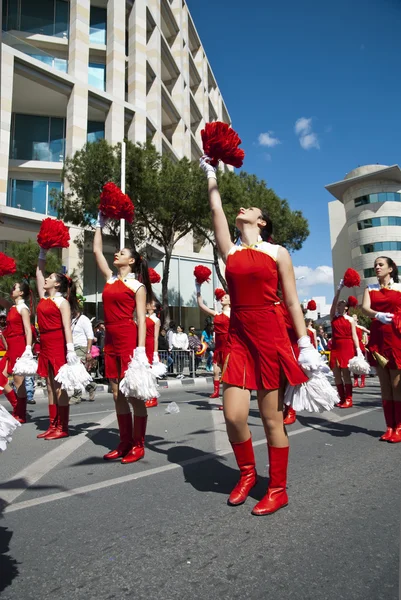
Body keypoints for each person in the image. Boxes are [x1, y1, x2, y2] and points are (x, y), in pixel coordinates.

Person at [200, 155, 320, 516]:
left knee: (270, 420)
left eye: (250, 208)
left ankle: (278, 489)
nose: (242, 208)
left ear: (261, 221)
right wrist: (210, 173)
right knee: (234, 416)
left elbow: (293, 302)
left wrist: (303, 343)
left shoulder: (278, 252)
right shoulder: (231, 250)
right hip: (238, 338)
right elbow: (216, 207)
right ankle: (248, 474)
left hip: (269, 337)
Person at [93, 212, 152, 463]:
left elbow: (141, 320)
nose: (116, 254)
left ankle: (138, 445)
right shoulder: (110, 278)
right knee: (116, 393)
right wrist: (99, 223)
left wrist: (140, 351)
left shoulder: (137, 286)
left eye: (122, 253)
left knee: (133, 394)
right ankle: (124, 441)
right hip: (111, 340)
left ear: (132, 260)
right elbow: (96, 251)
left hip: (128, 338)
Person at [36, 250, 81, 439]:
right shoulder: (45, 298)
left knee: (59, 386)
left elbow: (67, 327)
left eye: (50, 277)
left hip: (57, 342)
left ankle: (62, 427)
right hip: (45, 343)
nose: (46, 278)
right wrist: (42, 252)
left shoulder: (62, 302)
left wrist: (70, 349)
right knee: (48, 384)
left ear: (57, 284)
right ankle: (52, 424)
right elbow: (38, 272)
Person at [362, 256, 401, 442]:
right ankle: (389, 427)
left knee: (396, 385)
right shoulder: (370, 289)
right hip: (377, 339)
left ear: (391, 269)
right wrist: (378, 314)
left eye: (381, 265)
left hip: (396, 339)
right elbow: (364, 309)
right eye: (375, 265)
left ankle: (399, 427)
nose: (377, 267)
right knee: (384, 386)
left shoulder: (399, 288)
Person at [0, 281, 33, 423]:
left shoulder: (23, 308)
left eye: (15, 287)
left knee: (19, 382)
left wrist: (28, 348)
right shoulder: (13, 307)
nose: (12, 289)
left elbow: (28, 330)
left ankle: (21, 413)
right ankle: (16, 406)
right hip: (11, 346)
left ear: (21, 293)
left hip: (19, 345)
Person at [197, 286, 230, 406]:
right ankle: (216, 391)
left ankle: (227, 402)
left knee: (226, 376)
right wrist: (198, 287)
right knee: (216, 371)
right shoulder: (217, 313)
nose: (223, 298)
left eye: (226, 297)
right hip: (219, 346)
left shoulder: (233, 313)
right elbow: (201, 305)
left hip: (229, 346)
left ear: (230, 301)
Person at [329, 284, 361, 409]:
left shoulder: (350, 320)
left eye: (341, 303)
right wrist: (338, 290)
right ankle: (341, 398)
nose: (338, 305)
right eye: (338, 304)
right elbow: (333, 304)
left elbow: (354, 335)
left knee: (346, 373)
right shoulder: (333, 317)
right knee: (336, 373)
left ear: (346, 307)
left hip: (347, 346)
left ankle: (349, 399)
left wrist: (358, 349)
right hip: (336, 346)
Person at [69, 309, 97, 404]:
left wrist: (88, 351)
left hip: (81, 347)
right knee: (77, 372)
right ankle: (91, 386)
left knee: (76, 372)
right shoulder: (71, 319)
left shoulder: (84, 320)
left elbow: (90, 336)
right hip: (72, 348)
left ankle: (77, 396)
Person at [144, 299, 161, 408]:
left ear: (154, 308)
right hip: (141, 344)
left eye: (151, 303)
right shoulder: (142, 316)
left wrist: (155, 352)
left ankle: (153, 398)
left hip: (150, 345)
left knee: (151, 373)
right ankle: (146, 396)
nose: (148, 304)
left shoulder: (156, 320)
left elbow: (156, 337)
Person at [351, 314, 370, 389]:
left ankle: (362, 381)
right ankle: (355, 381)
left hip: (360, 344)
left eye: (355, 316)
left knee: (362, 363)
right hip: (352, 345)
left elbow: (369, 331)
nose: (353, 317)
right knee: (354, 363)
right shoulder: (350, 327)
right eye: (352, 316)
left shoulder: (360, 327)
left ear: (357, 319)